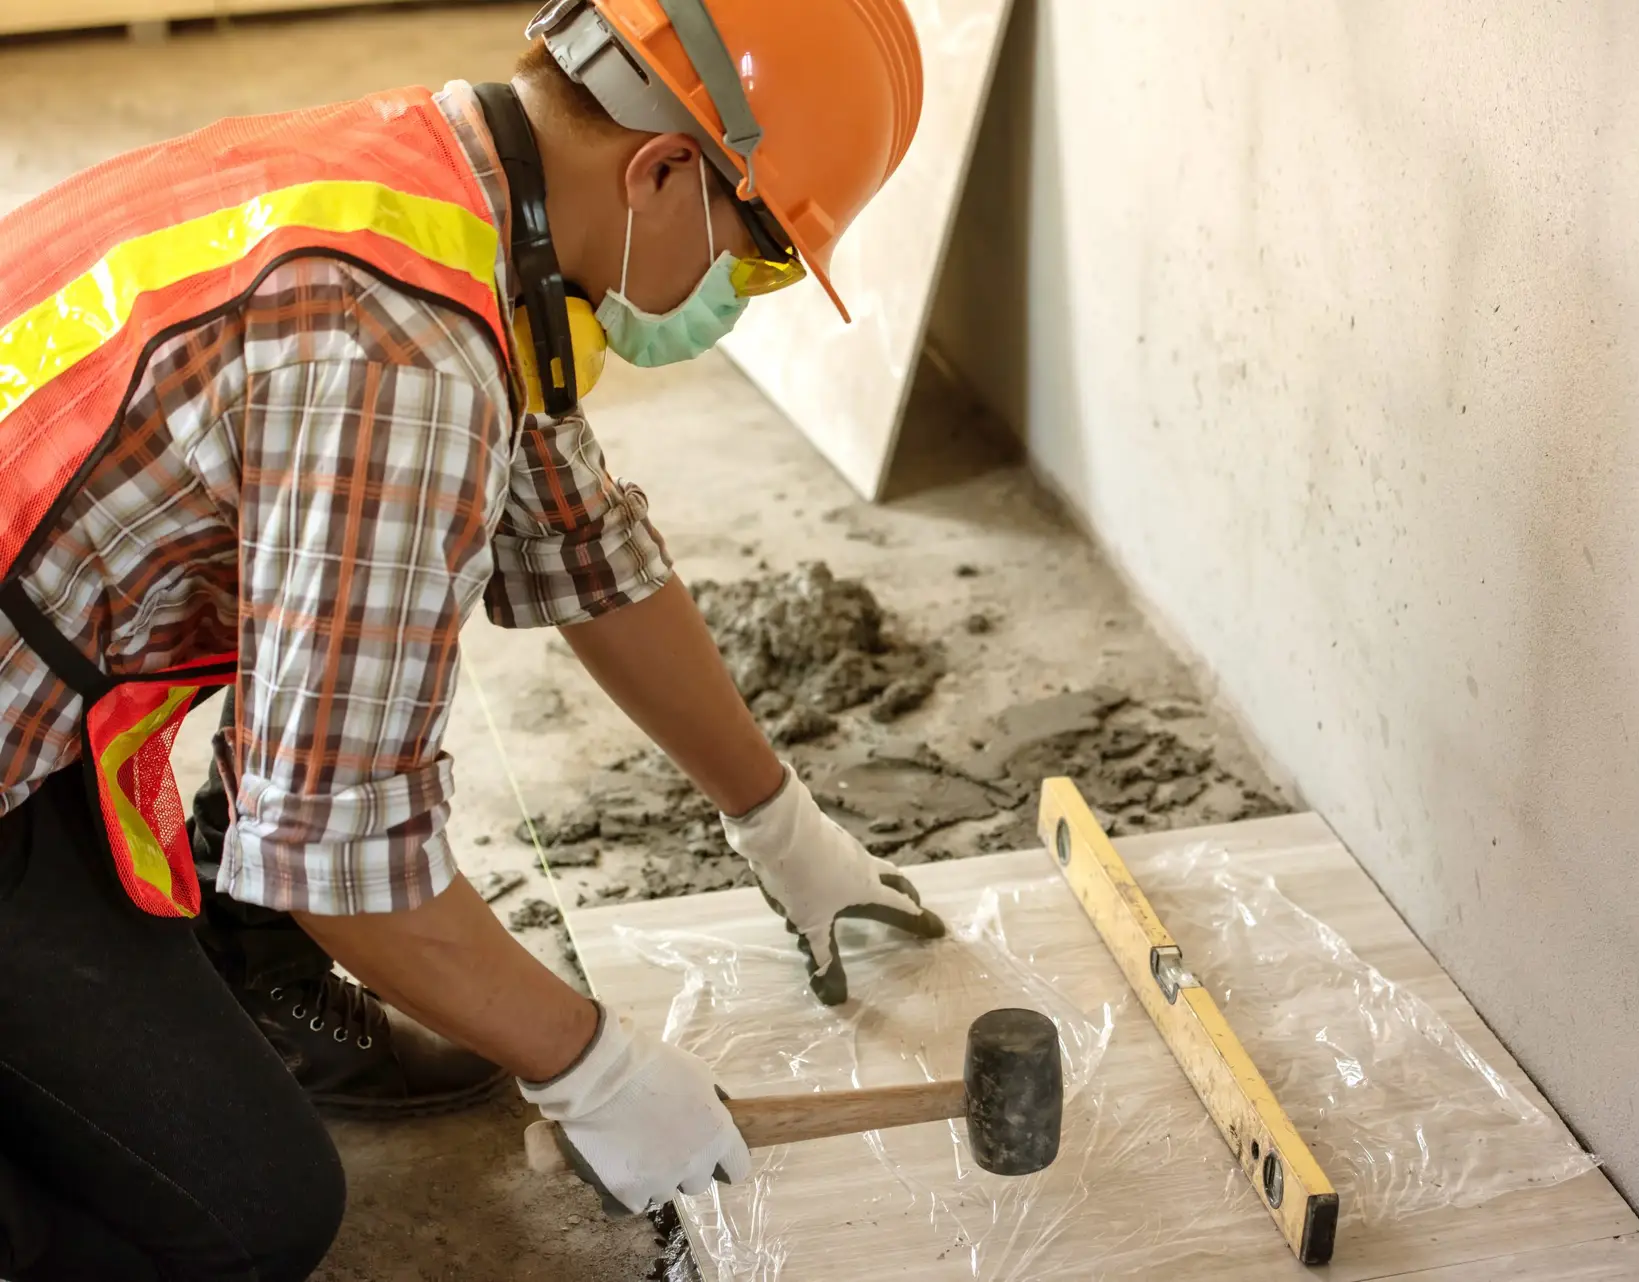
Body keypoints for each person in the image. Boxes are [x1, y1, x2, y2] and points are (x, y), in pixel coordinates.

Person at [0, 0, 938, 1276]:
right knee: (248, 1212)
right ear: (664, 170)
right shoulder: (404, 359)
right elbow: (336, 848)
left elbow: (588, 552)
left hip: (32, 679)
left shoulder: (445, 191)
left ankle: (233, 952)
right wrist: (594, 1070)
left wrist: (784, 829)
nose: (741, 297)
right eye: (761, 257)